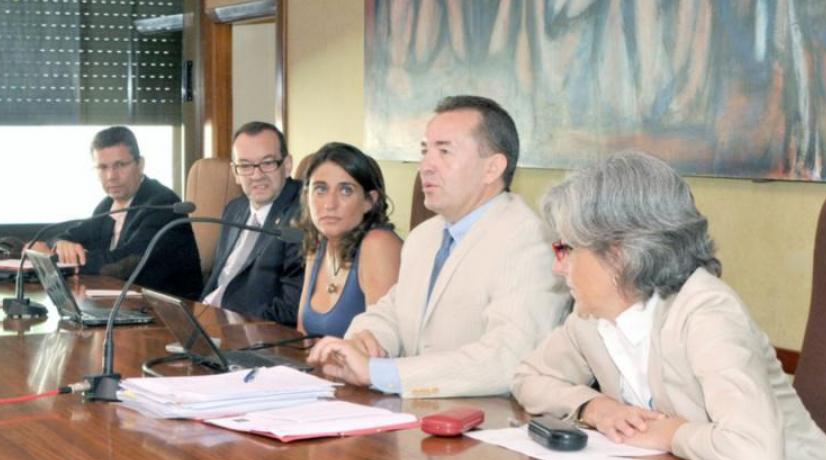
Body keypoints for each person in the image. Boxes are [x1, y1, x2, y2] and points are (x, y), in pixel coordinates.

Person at [511, 151, 826, 460]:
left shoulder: (706, 312)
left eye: (567, 249)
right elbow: (529, 378)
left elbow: (758, 453)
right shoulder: (591, 316)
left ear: (618, 256)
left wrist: (670, 434)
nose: (558, 267)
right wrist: (594, 407)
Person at [307, 95, 569, 398]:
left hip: (485, 418)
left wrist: (381, 373)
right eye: (425, 151)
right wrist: (364, 340)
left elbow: (508, 358)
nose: (425, 167)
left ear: (492, 168)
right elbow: (392, 312)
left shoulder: (531, 240)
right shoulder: (425, 236)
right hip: (414, 413)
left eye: (444, 152)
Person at [39, 126, 202, 300]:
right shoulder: (107, 205)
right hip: (123, 302)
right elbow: (70, 235)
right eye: (102, 167)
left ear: (140, 164)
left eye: (120, 165)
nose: (111, 176)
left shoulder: (163, 204)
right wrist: (61, 244)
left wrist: (65, 260)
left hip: (167, 308)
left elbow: (125, 264)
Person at [201, 121, 303, 324]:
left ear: (287, 165)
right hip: (209, 320)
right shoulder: (234, 210)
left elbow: (292, 308)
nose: (257, 175)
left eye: (267, 163)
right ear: (235, 173)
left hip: (255, 330)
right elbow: (220, 281)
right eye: (245, 166)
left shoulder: (303, 215)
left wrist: (235, 325)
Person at [296, 142, 402, 337]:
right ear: (306, 195)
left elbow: (381, 343)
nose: (330, 204)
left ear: (370, 201)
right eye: (320, 189)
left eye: (345, 190)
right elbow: (302, 333)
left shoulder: (379, 244)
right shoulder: (318, 243)